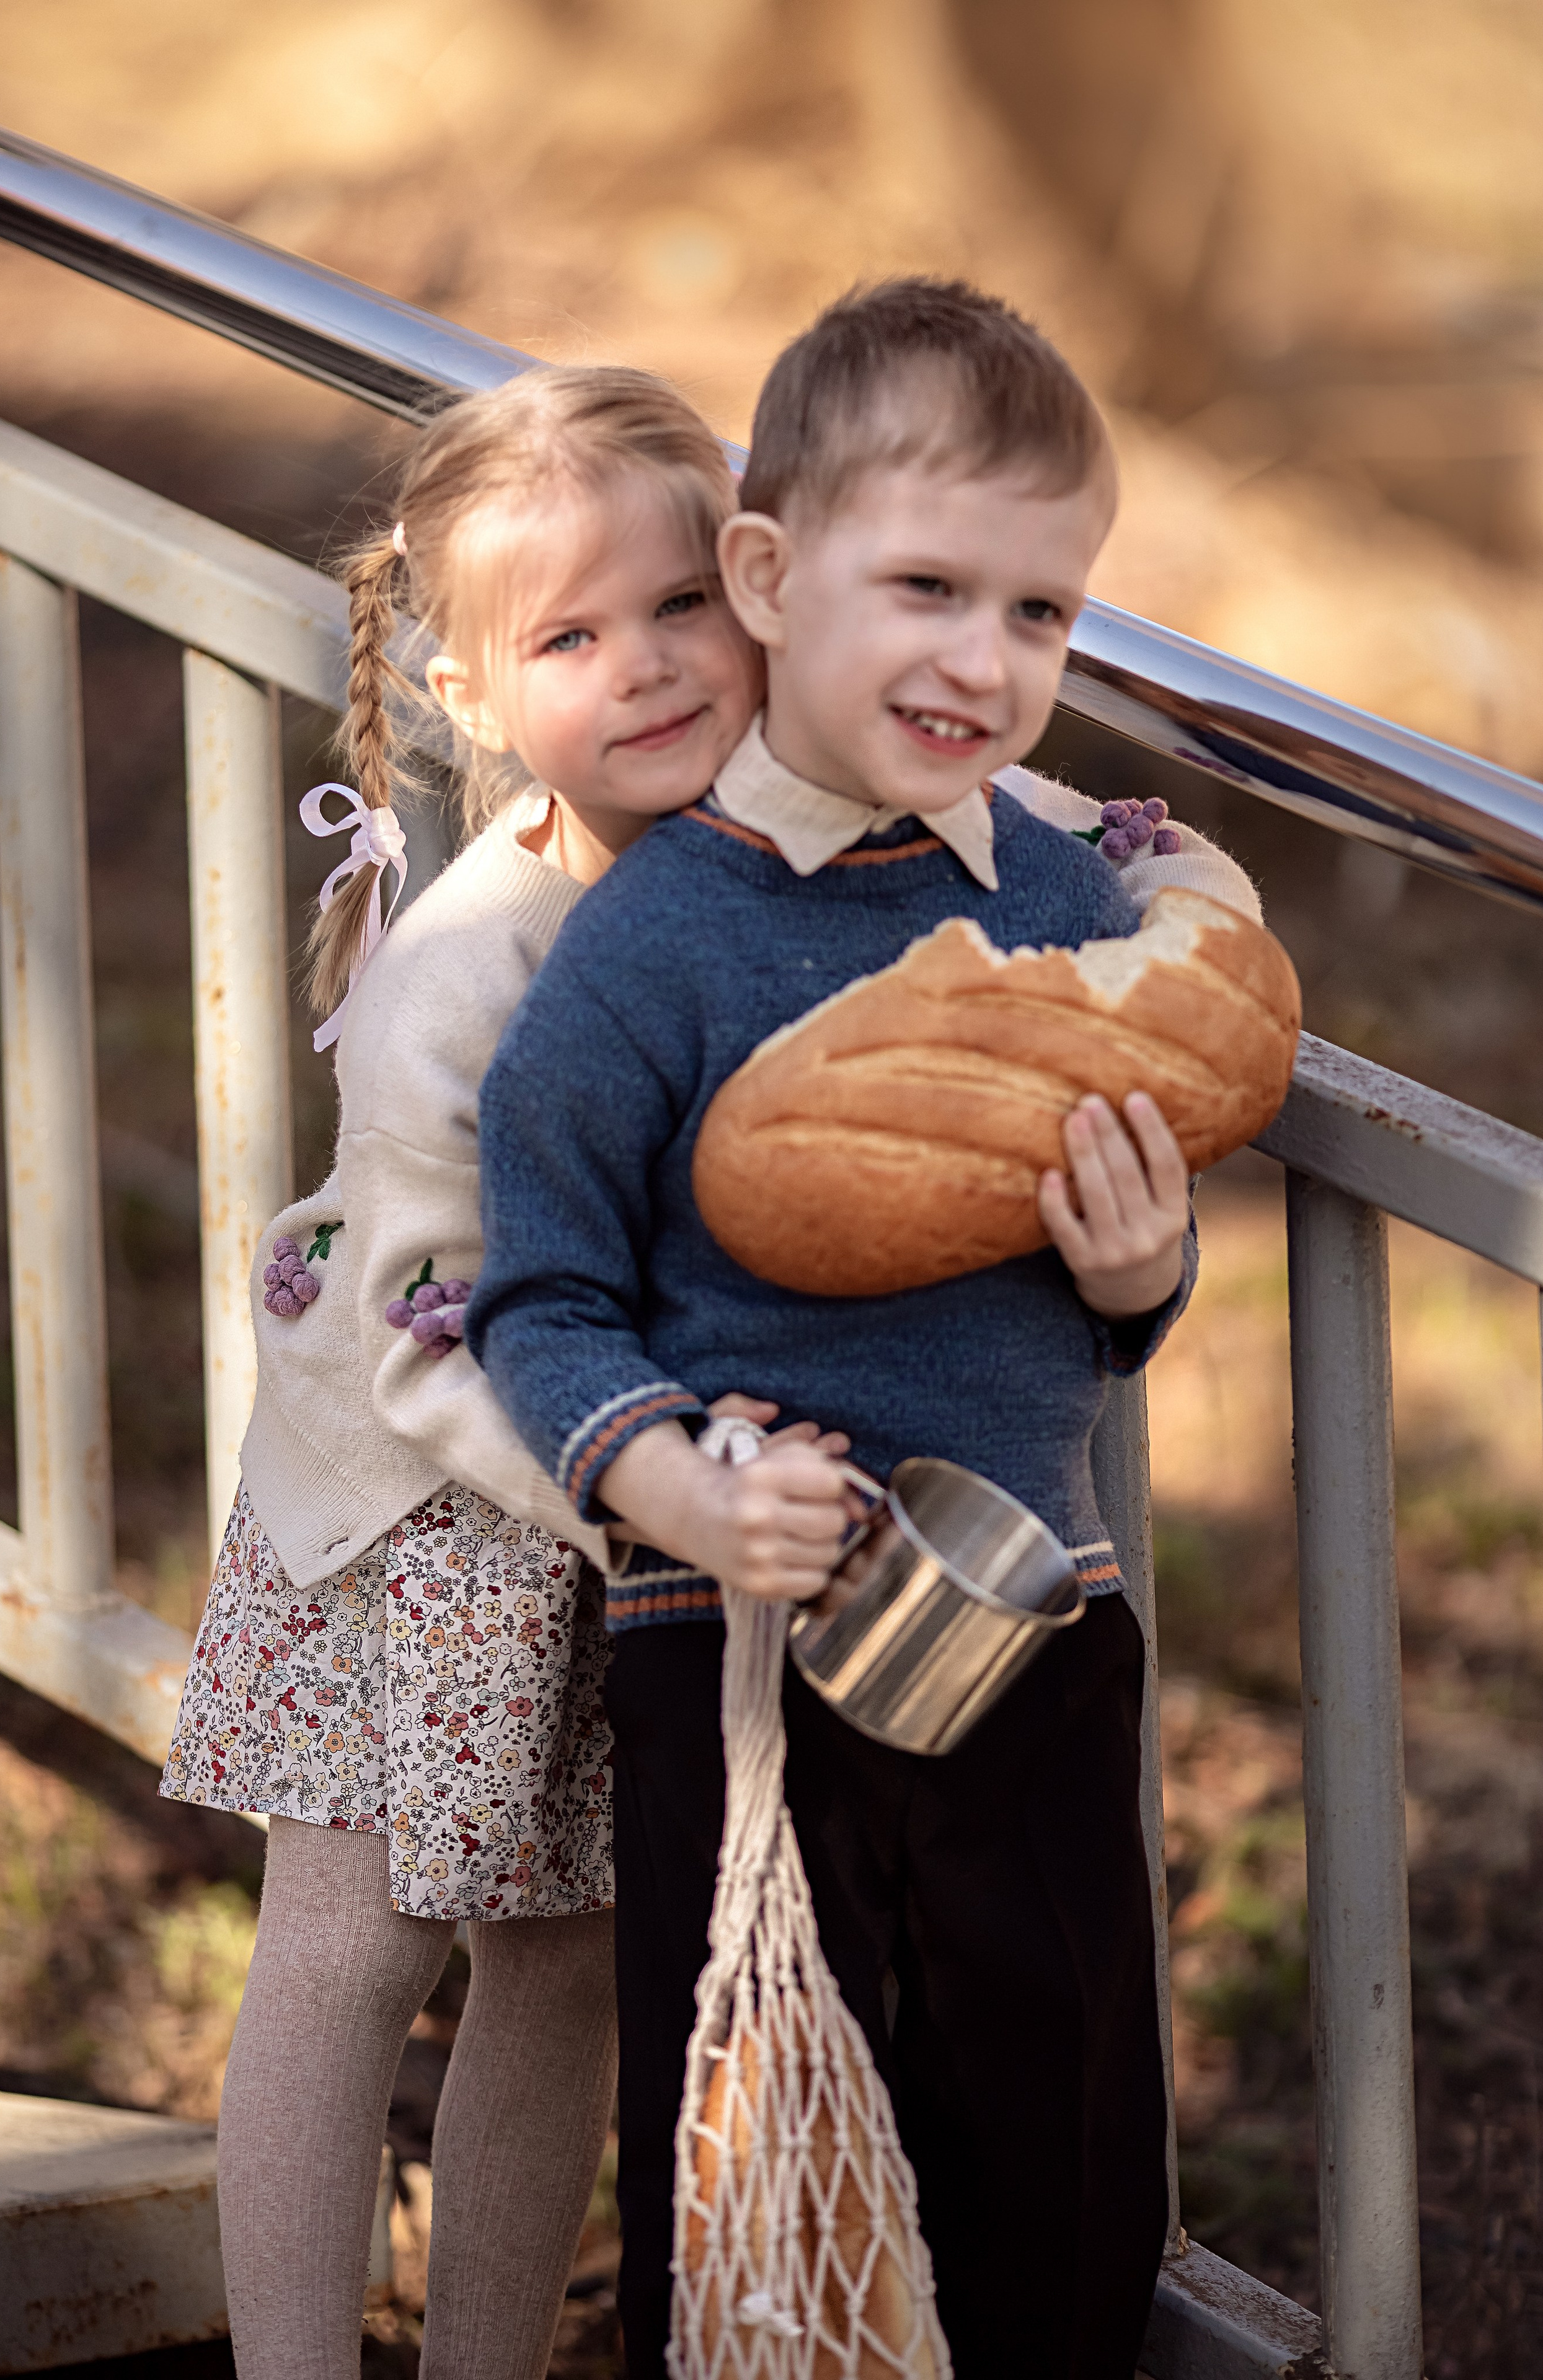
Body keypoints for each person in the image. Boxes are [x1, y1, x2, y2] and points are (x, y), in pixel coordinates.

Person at [467, 281, 1224, 2379]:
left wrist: (1138, 1280)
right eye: (929, 590)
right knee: (768, 2150)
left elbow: (1073, 1301)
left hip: (1032, 1628)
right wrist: (679, 1492)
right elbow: (538, 1292)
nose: (987, 663)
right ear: (772, 578)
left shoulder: (1065, 923)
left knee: (1063, 2138)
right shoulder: (652, 950)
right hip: (742, 1649)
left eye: (1045, 616)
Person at [160, 363, 797, 2380]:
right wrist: (641, 1480)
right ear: (472, 695)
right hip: (420, 1513)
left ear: (762, 591)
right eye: (573, 635)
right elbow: (422, 1306)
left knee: (570, 1961)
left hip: (619, 1510)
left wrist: (1138, 855)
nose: (652, 667)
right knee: (352, 1949)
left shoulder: (781, 850)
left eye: (684, 603)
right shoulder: (477, 960)